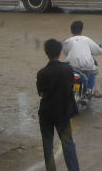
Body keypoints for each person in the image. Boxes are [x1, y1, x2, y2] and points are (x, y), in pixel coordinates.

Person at [37, 39, 80, 171]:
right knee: (68, 144)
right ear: (60, 52)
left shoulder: (42, 73)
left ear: (46, 53)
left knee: (48, 145)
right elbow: (72, 87)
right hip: (63, 111)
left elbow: (41, 93)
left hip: (47, 113)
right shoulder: (68, 69)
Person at [63, 20, 102, 98]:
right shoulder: (86, 39)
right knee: (96, 72)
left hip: (72, 65)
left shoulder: (68, 41)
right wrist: (101, 51)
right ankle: (95, 92)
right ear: (81, 30)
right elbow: (97, 50)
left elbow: (65, 52)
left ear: (71, 31)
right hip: (86, 65)